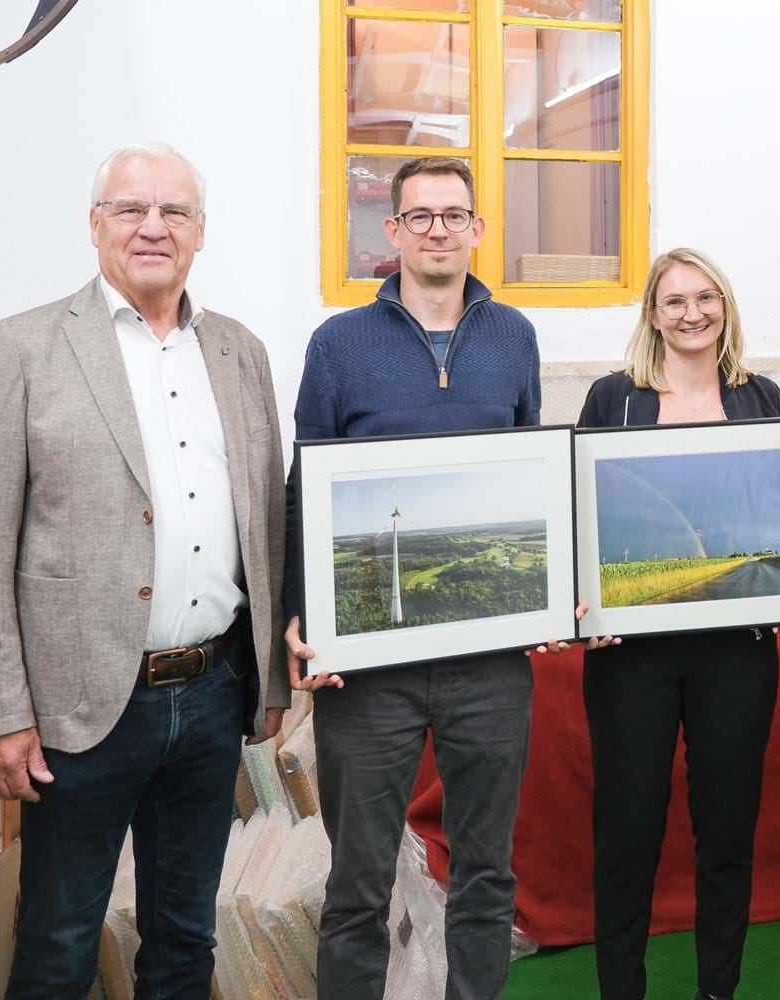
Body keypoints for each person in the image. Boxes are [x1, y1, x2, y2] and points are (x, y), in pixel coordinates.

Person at [0, 143, 288, 998]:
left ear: (200, 233)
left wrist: (270, 679)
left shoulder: (240, 352)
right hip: (81, 708)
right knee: (60, 942)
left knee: (185, 939)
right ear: (94, 225)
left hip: (212, 696)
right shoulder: (24, 348)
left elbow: (265, 521)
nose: (152, 227)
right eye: (131, 209)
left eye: (174, 211)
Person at [282, 156, 541, 1000]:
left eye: (453, 214)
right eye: (419, 216)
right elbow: (303, 489)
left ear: (477, 229)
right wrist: (300, 614)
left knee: (486, 875)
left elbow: (529, 471)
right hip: (368, 671)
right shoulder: (338, 343)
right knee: (357, 887)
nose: (438, 229)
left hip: (490, 665)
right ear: (391, 233)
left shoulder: (516, 337)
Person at [576, 248, 780, 1000]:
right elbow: (584, 512)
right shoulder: (613, 399)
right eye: (676, 300)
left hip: (737, 655)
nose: (693, 313)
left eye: (707, 297)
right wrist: (586, 601)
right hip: (629, 658)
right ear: (652, 313)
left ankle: (718, 989)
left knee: (726, 834)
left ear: (726, 306)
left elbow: (779, 515)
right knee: (627, 836)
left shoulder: (761, 397)